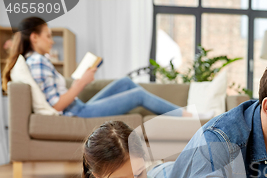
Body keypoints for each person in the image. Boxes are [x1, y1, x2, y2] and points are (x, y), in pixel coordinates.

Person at [2, 17, 186, 118]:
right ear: (34, 37)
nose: (51, 41)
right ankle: (186, 115)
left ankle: (182, 113)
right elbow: (57, 105)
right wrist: (80, 83)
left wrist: (80, 80)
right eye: (48, 36)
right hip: (76, 112)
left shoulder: (37, 60)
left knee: (124, 82)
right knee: (137, 95)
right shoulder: (37, 62)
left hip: (78, 107)